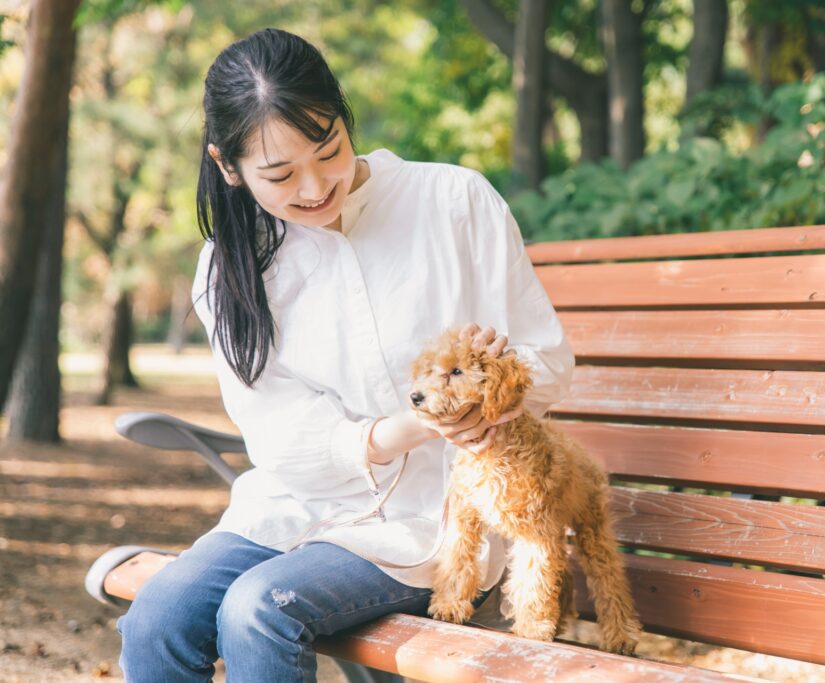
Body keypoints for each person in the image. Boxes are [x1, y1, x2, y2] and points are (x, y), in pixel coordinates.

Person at [116, 28, 574, 682]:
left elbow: (548, 360)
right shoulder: (228, 266)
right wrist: (410, 427)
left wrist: (502, 384)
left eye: (328, 150)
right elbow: (279, 438)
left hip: (437, 516)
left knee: (259, 609)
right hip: (291, 507)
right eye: (280, 174)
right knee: (157, 619)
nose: (314, 186)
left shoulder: (454, 201)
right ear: (227, 165)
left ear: (343, 116)